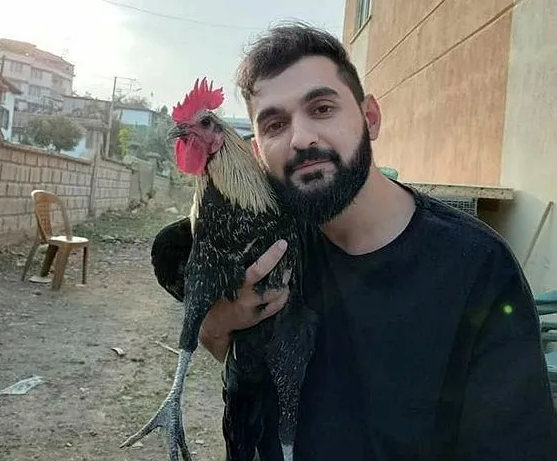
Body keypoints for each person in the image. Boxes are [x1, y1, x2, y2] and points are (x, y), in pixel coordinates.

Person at [155, 22, 557, 460]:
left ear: (371, 118)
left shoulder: (478, 267)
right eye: (275, 124)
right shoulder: (260, 244)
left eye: (322, 108)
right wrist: (217, 325)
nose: (301, 138)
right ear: (257, 152)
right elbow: (235, 357)